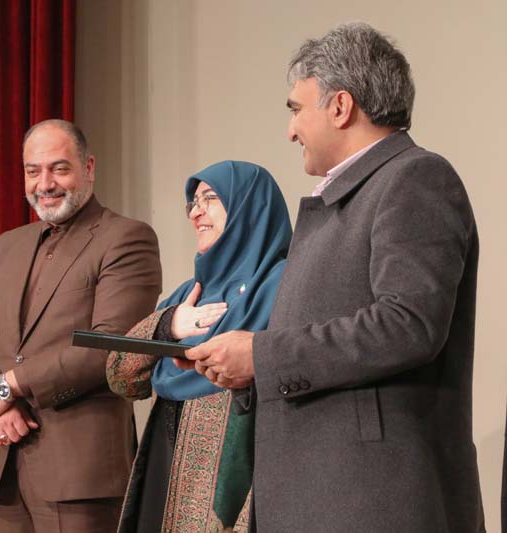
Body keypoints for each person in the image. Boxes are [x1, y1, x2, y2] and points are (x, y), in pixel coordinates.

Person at [182, 22, 485, 531]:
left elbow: (408, 324)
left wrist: (261, 356)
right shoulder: (345, 201)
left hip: (372, 501)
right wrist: (247, 369)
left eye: (296, 109)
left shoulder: (414, 177)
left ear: (340, 107)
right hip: (326, 498)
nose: (290, 130)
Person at [0, 119, 163, 532]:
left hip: (81, 475)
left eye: (59, 168)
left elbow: (108, 346)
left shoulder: (126, 238)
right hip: (6, 464)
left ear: (89, 167)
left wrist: (6, 387)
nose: (45, 183)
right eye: (33, 171)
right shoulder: (6, 246)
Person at [107, 161, 291, 532]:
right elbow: (121, 376)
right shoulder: (188, 294)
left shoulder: (285, 286)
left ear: (249, 207)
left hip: (237, 489)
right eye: (192, 202)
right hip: (163, 473)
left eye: (210, 198)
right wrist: (169, 324)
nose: (195, 212)